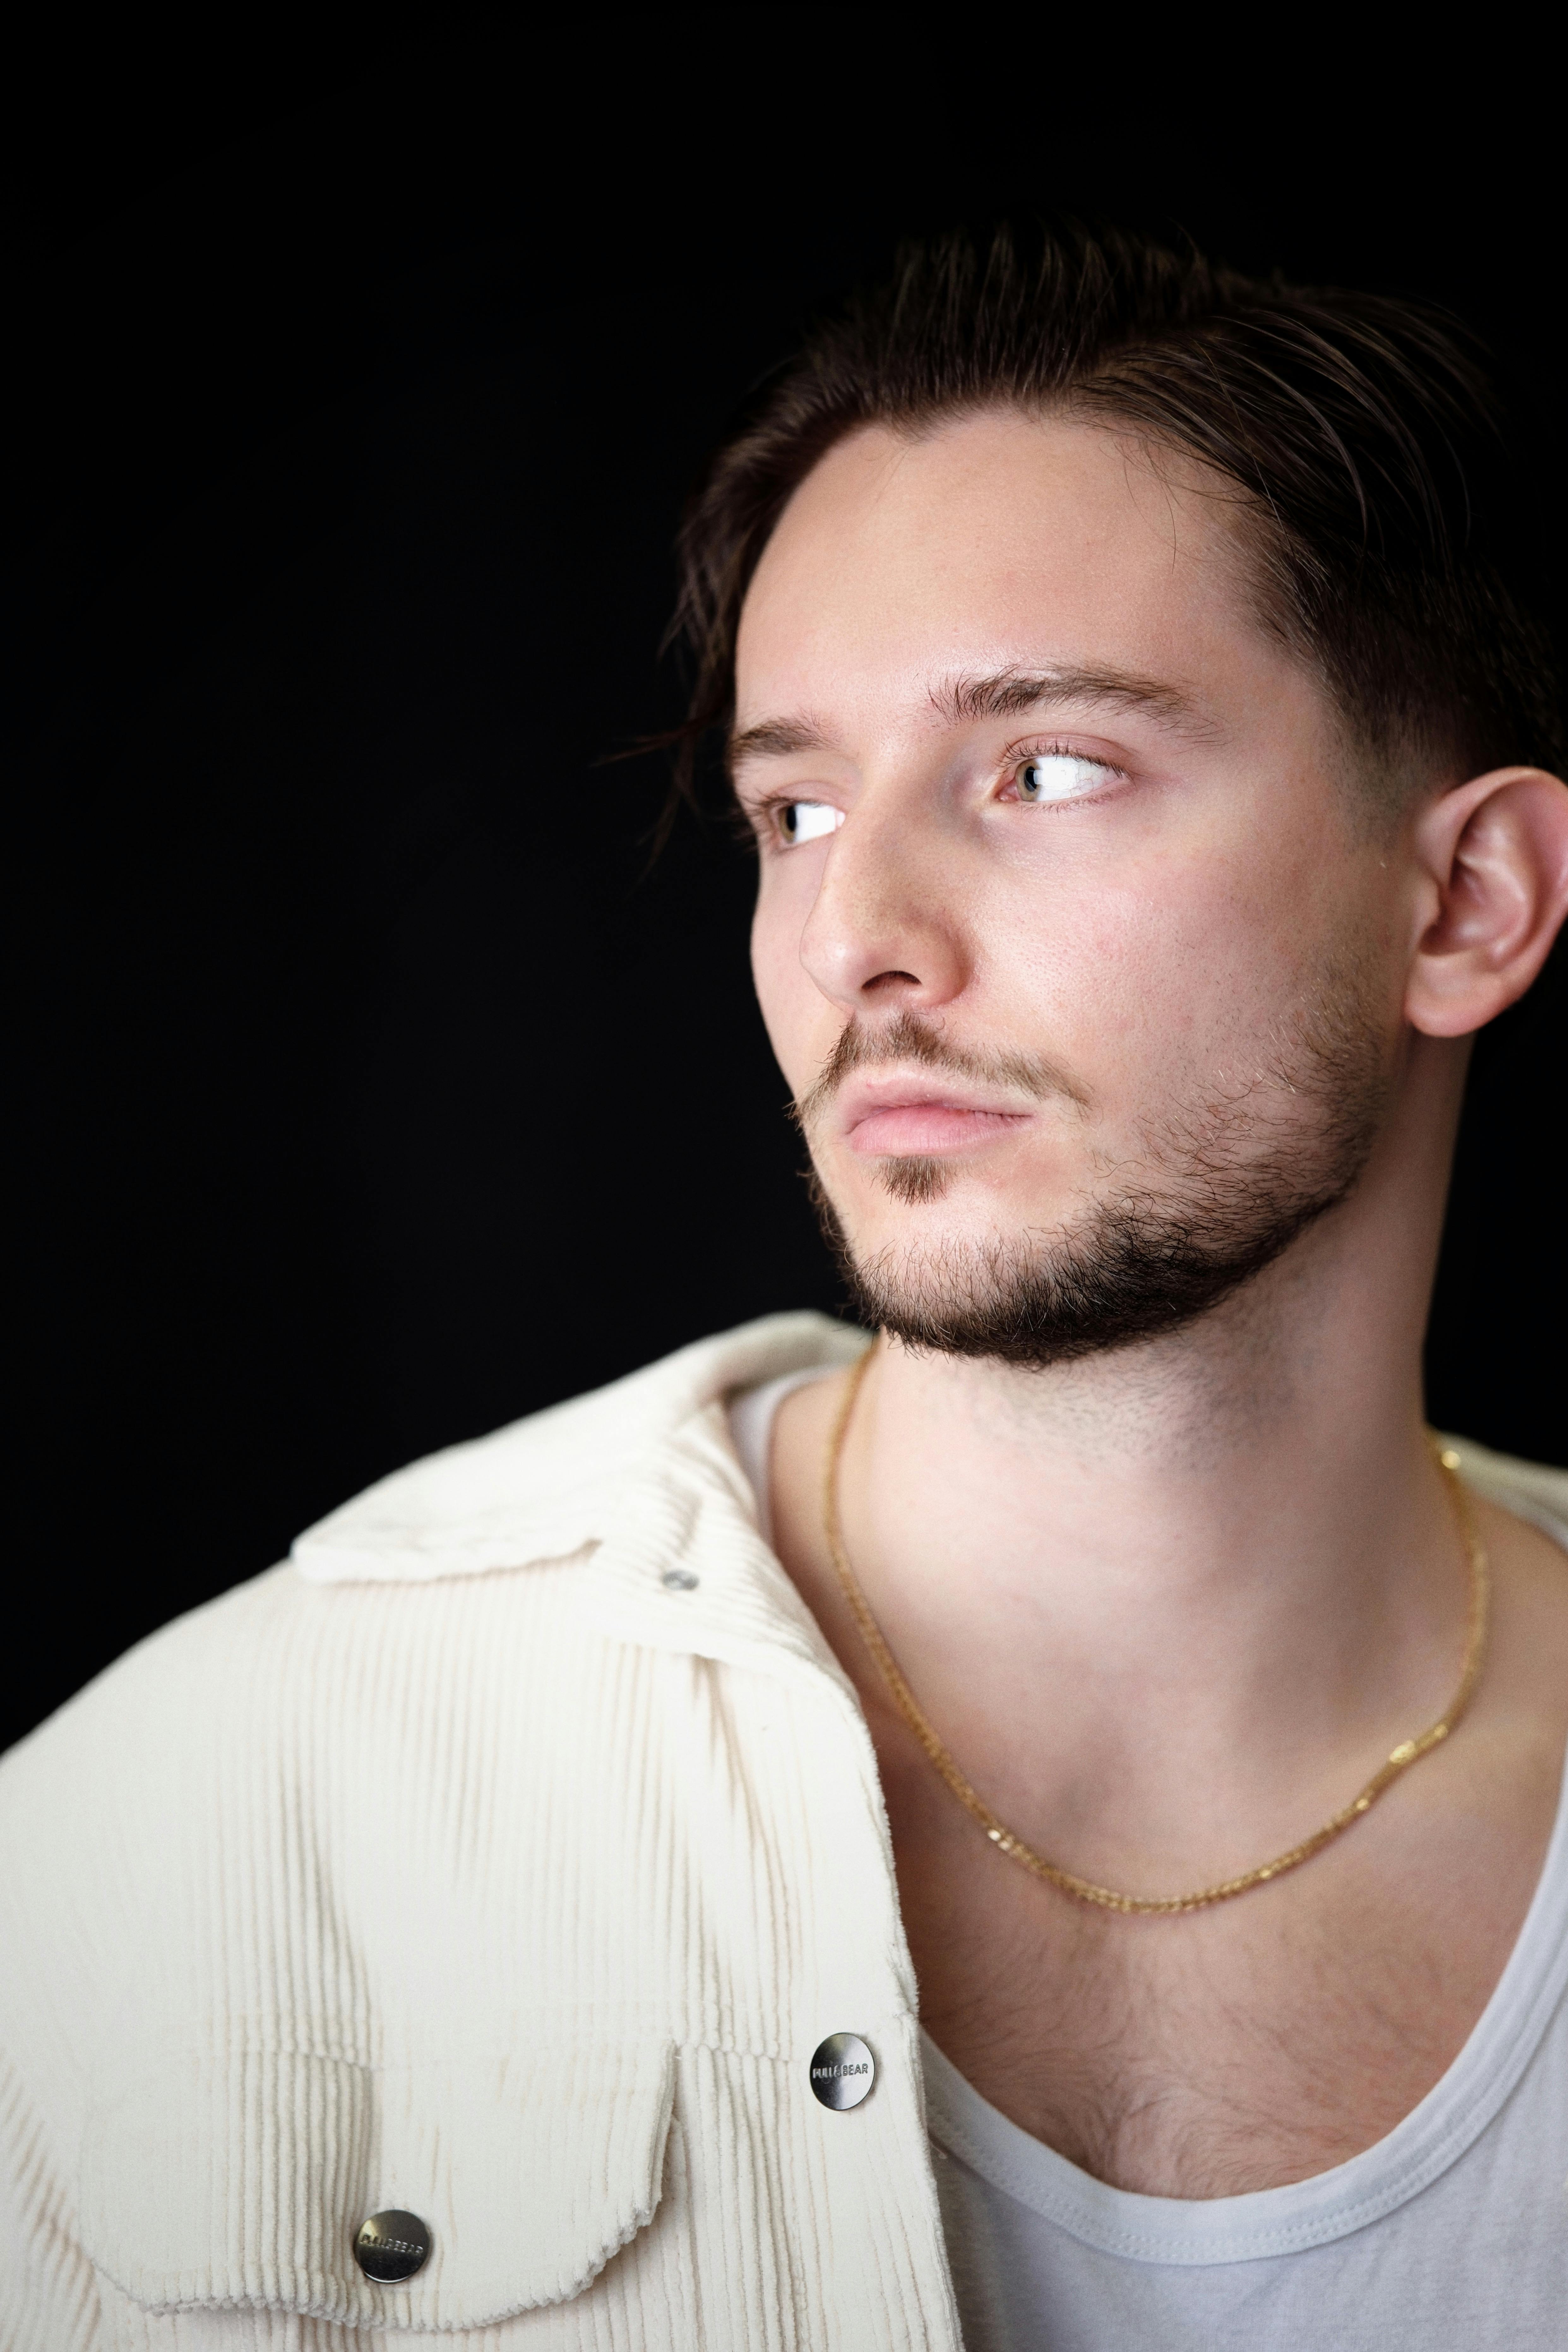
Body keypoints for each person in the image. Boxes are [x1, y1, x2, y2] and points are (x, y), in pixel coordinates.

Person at [3, 224, 1566, 2352]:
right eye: (797, 806)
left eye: (1042, 771)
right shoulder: (215, 1827)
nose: (857, 943)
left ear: (1465, 900)